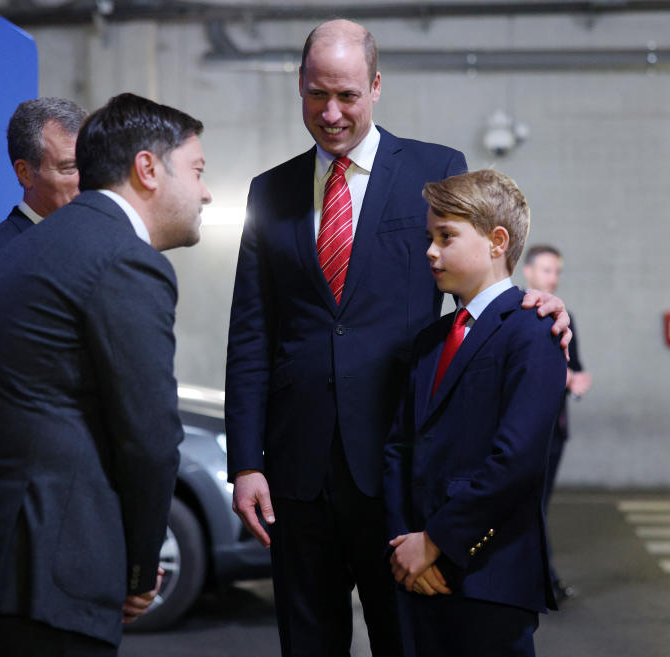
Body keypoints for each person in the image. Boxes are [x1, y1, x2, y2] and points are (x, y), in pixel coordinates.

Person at [224, 18, 571, 657]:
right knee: (306, 640)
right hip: (297, 469)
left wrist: (531, 301)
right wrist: (245, 461)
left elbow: (477, 276)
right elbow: (251, 331)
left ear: (376, 86)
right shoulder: (267, 192)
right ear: (299, 86)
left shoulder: (435, 169)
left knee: (405, 640)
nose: (331, 113)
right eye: (316, 94)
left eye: (348, 95)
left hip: (402, 462)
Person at [0, 92, 212, 656]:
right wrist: (142, 568)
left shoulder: (24, 248)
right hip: (40, 580)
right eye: (196, 171)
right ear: (147, 169)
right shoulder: (125, 258)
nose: (206, 192)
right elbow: (150, 437)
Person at [385, 170, 565, 657]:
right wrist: (407, 546)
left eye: (446, 237)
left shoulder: (533, 331)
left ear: (496, 241)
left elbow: (517, 461)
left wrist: (438, 541)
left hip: (490, 573)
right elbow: (399, 448)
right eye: (430, 237)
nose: (431, 251)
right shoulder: (431, 340)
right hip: (418, 571)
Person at [0, 96, 86, 302]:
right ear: (24, 173)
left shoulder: (98, 244)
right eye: (69, 168)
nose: (85, 178)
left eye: (88, 164)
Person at [522, 243, 592, 601]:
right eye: (547, 270)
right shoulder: (517, 314)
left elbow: (574, 368)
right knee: (528, 505)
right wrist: (563, 377)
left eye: (557, 271)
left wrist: (577, 380)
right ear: (528, 271)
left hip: (555, 428)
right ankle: (542, 581)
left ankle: (541, 579)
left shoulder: (566, 316)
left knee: (541, 505)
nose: (553, 278)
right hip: (524, 428)